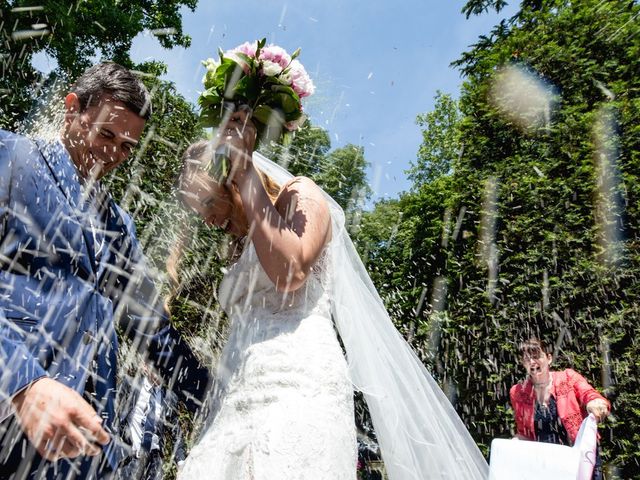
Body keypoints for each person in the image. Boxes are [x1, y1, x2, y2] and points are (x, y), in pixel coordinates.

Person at [174, 108, 489, 479]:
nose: (209, 219)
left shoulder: (301, 196)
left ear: (233, 180)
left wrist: (244, 172)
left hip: (299, 383)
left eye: (211, 202)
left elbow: (289, 272)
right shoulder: (239, 244)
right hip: (241, 393)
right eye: (200, 212)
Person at [0, 62, 211, 478]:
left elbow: (152, 328)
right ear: (73, 109)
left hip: (87, 450)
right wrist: (21, 382)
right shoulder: (12, 157)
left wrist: (219, 399)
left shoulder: (118, 224)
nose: (113, 154)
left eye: (127, 146)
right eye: (106, 135)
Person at [510, 337, 610, 479]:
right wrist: (512, 445)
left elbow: (588, 393)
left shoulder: (568, 377)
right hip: (545, 466)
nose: (532, 362)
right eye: (526, 359)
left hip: (579, 462)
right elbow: (525, 433)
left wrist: (594, 402)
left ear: (549, 358)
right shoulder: (518, 392)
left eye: (536, 356)